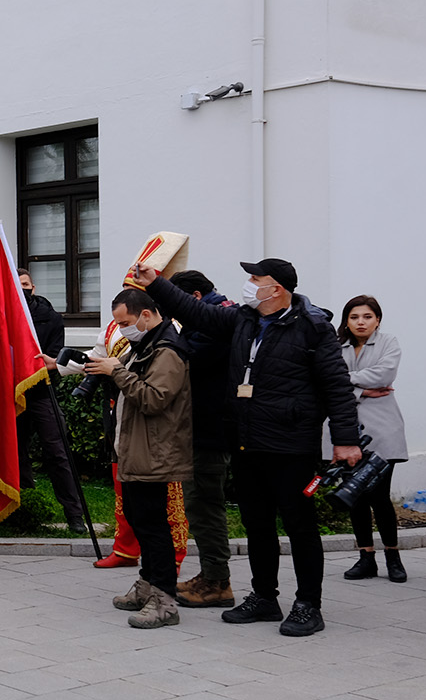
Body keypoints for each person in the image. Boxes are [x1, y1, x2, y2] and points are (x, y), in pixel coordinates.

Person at [135, 257, 362, 638]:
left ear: (277, 289)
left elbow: (337, 386)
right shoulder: (245, 318)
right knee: (258, 524)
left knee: (299, 526)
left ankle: (308, 603)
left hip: (290, 443)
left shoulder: (312, 328)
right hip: (246, 440)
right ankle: (264, 597)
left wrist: (346, 439)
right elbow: (196, 312)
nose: (248, 283)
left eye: (256, 278)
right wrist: (156, 283)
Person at [87, 289, 193, 629]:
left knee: (153, 524)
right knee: (137, 515)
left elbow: (154, 398)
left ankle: (164, 599)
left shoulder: (168, 350)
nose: (122, 331)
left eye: (126, 323)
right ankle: (147, 583)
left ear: (147, 315)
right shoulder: (146, 345)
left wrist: (116, 371)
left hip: (155, 451)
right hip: (137, 448)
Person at [168, 270, 239, 608]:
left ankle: (217, 581)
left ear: (194, 298)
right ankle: (211, 573)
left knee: (205, 505)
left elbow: (184, 361)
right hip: (205, 427)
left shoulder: (215, 324)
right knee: (200, 504)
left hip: (211, 430)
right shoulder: (214, 317)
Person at [335, 295, 409, 583]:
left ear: (377, 319)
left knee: (379, 496)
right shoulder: (336, 346)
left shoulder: (388, 342)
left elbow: (384, 374)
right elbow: (327, 378)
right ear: (347, 320)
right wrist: (361, 390)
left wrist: (347, 382)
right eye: (354, 317)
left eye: (367, 317)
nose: (360, 322)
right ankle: (366, 557)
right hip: (345, 431)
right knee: (353, 496)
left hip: (382, 430)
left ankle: (393, 555)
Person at [15, 268, 90, 534]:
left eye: (25, 284)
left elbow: (57, 357)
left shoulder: (51, 318)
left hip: (41, 391)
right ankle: (24, 506)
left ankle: (74, 514)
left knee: (57, 452)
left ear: (32, 287)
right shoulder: (2, 316)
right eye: (16, 284)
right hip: (12, 394)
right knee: (16, 452)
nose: (21, 288)